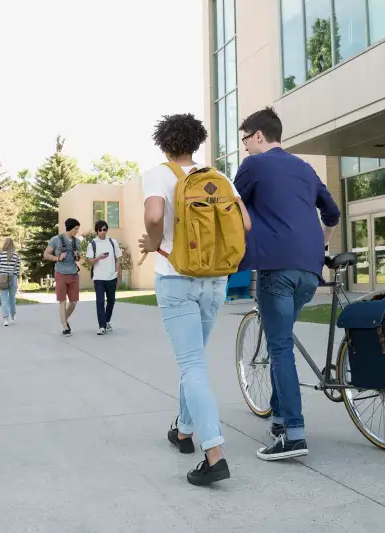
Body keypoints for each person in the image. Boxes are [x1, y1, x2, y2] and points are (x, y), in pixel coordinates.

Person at [138, 113, 251, 486]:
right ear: (197, 142)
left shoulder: (159, 175)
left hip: (176, 278)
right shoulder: (218, 178)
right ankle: (184, 430)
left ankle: (214, 453)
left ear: (164, 143)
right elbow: (245, 224)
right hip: (216, 279)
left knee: (192, 366)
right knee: (195, 361)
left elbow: (154, 215)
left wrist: (153, 242)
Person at [234, 106, 341, 461]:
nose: (245, 147)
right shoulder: (305, 168)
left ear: (259, 136)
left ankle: (293, 435)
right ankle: (279, 419)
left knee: (279, 347)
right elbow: (332, 214)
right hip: (310, 271)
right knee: (282, 340)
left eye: (246, 140)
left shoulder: (253, 166)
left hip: (275, 267)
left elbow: (230, 209)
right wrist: (321, 244)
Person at [44, 218, 82, 337]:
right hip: (60, 273)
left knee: (74, 301)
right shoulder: (56, 240)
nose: (77, 231)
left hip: (73, 273)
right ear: (70, 227)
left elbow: (78, 258)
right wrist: (58, 258)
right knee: (62, 301)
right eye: (76, 229)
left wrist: (77, 256)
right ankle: (65, 326)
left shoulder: (77, 242)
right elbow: (46, 254)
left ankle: (63, 319)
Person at [86, 220, 122, 335]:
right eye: (100, 230)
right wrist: (99, 258)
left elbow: (118, 258)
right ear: (96, 231)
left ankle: (106, 321)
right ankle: (101, 326)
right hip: (99, 278)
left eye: (104, 229)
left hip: (111, 277)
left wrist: (117, 271)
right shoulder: (92, 244)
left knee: (111, 301)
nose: (102, 232)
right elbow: (90, 261)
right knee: (100, 302)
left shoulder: (112, 242)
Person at [0, 237, 21, 327]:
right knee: (12, 298)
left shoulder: (0, 254)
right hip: (12, 277)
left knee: (4, 299)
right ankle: (13, 315)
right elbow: (17, 270)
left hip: (2, 277)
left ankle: (5, 319)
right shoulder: (16, 255)